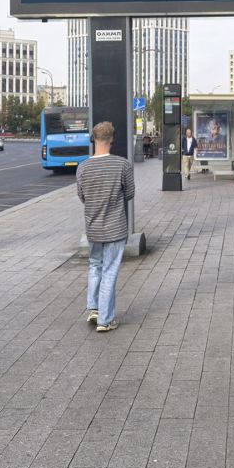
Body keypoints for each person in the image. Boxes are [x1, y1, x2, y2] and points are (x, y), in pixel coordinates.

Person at [76, 121, 135, 333]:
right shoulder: (122, 165)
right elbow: (130, 194)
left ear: (94, 139)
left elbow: (82, 196)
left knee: (95, 265)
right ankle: (105, 320)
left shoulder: (83, 167)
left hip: (93, 228)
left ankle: (93, 308)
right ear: (112, 139)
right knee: (110, 271)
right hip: (115, 227)